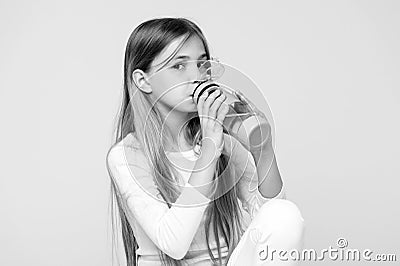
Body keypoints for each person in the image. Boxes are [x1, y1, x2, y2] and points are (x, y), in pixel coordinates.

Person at [106, 17, 305, 266]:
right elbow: (173, 244)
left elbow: (272, 223)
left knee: (284, 214)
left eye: (202, 64)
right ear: (143, 80)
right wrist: (210, 149)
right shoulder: (127, 156)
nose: (197, 76)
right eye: (179, 66)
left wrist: (263, 151)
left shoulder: (223, 141)